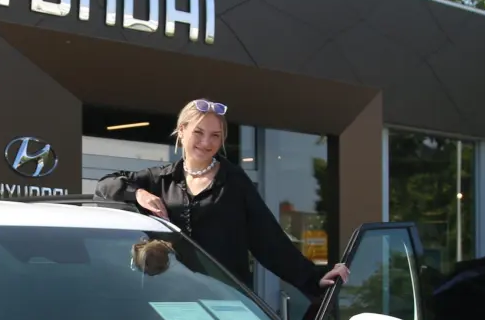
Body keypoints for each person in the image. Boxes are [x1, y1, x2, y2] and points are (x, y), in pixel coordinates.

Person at [95, 98, 350, 303]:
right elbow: (106, 185)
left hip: (226, 302)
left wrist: (315, 278)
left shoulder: (235, 183)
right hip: (170, 300)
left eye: (215, 135)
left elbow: (269, 241)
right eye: (198, 132)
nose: (206, 143)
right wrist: (139, 193)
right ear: (181, 132)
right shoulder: (159, 179)